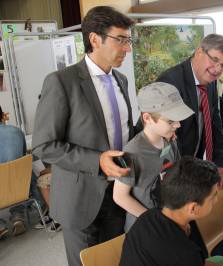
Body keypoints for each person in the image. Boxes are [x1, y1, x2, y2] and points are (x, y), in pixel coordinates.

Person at [32, 6, 138, 265]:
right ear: (94, 39)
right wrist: (97, 160)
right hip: (80, 199)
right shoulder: (61, 82)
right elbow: (44, 145)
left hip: (119, 192)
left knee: (114, 257)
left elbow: (123, 134)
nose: (128, 48)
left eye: (129, 40)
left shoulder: (121, 80)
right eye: (121, 40)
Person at [113, 82, 194, 231]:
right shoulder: (132, 153)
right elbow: (119, 196)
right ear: (148, 118)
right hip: (146, 228)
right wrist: (155, 220)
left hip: (170, 220)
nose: (178, 125)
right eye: (171, 121)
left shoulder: (170, 140)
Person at [120, 156, 223, 266]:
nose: (216, 200)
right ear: (193, 208)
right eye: (213, 196)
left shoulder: (148, 216)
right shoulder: (185, 255)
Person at [157, 33, 223, 189]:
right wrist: (178, 175)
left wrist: (219, 162)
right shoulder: (170, 81)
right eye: (215, 60)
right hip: (173, 170)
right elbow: (161, 134)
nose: (217, 69)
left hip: (193, 162)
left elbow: (214, 122)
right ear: (199, 52)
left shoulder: (210, 81)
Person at [0, 106, 44, 239]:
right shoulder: (16, 132)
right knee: (25, 167)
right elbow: (23, 156)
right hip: (19, 190)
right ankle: (18, 216)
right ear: (2, 115)